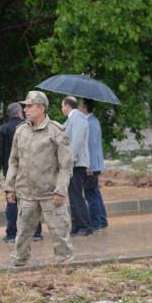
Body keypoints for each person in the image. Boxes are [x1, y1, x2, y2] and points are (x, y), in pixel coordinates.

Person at [4, 91, 74, 267]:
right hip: (26, 194)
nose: (25, 109)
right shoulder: (20, 131)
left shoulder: (56, 132)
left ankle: (65, 265)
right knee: (23, 234)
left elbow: (65, 166)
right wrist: (10, 187)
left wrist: (60, 190)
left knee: (59, 233)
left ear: (41, 109)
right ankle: (19, 264)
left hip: (51, 195)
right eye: (25, 106)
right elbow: (13, 161)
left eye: (29, 106)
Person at [0, 102, 42, 243]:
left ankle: (11, 233)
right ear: (19, 113)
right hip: (29, 170)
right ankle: (36, 232)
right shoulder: (29, 127)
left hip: (11, 172)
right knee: (32, 201)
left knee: (12, 202)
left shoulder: (3, 130)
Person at [62, 96, 92, 236]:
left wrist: (69, 162)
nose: (61, 109)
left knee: (77, 196)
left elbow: (77, 141)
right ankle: (76, 226)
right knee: (73, 196)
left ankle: (85, 226)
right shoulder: (71, 119)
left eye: (62, 106)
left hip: (76, 163)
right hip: (73, 163)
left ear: (68, 106)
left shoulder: (78, 117)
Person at [80, 99, 109, 230]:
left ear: (85, 108)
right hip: (95, 164)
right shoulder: (93, 121)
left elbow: (91, 145)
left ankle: (96, 223)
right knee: (95, 193)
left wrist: (89, 167)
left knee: (90, 194)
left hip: (92, 165)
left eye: (80, 105)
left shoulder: (90, 123)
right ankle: (102, 220)